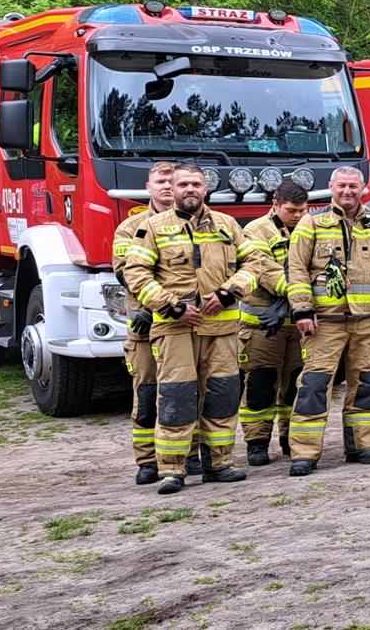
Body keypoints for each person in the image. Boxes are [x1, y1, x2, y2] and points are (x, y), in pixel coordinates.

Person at [119, 163, 272, 494]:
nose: (190, 189)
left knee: (222, 396)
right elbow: (135, 273)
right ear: (172, 190)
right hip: (175, 331)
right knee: (177, 398)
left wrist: (228, 292)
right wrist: (171, 306)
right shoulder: (153, 228)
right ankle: (172, 470)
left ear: (206, 189)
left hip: (222, 331)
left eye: (196, 184)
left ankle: (219, 464)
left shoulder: (227, 225)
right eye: (183, 184)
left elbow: (254, 264)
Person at [284, 166, 370, 477]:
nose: (348, 191)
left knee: (366, 384)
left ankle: (361, 444)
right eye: (342, 186)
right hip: (324, 323)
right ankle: (304, 453)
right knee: (314, 386)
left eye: (353, 186)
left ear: (364, 189)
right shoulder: (312, 223)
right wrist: (302, 310)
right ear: (331, 187)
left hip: (367, 322)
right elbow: (297, 270)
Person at [237, 180, 308, 467]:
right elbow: (264, 270)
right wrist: (296, 292)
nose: (298, 216)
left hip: (299, 325)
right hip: (261, 327)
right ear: (275, 206)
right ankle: (257, 443)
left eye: (303, 210)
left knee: (294, 386)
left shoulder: (311, 226)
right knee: (260, 385)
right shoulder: (255, 230)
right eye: (292, 210)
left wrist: (290, 300)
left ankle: (290, 439)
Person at [114, 161, 176, 485]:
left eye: (172, 181)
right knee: (148, 394)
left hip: (182, 325)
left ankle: (185, 456)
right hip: (144, 326)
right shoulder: (130, 228)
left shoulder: (193, 223)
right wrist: (152, 307)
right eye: (160, 181)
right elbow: (125, 271)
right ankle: (147, 461)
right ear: (148, 186)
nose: (167, 186)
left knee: (183, 394)